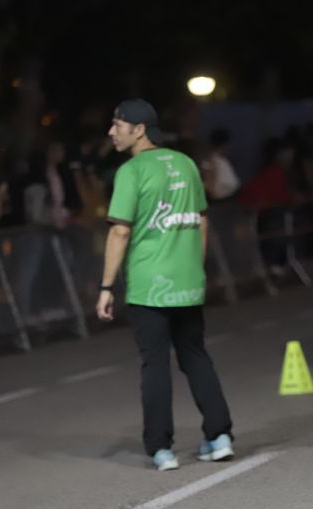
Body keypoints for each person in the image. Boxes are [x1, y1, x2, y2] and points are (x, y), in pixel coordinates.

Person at [96, 99, 235, 472]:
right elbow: (202, 222)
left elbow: (120, 230)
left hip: (148, 285)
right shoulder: (186, 163)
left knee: (154, 363)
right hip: (188, 281)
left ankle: (161, 449)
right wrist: (194, 266)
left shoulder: (131, 171)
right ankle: (219, 436)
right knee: (194, 355)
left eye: (117, 124)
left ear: (138, 129)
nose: (111, 131)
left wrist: (106, 286)